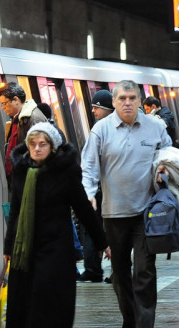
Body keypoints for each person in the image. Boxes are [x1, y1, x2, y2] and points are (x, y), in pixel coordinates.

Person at [82, 80, 172, 328]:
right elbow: (88, 166)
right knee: (120, 273)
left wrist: (165, 170)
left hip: (147, 212)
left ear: (140, 100)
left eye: (132, 98)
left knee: (144, 271)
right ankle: (130, 319)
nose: (128, 102)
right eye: (122, 98)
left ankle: (144, 324)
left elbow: (168, 155)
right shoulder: (101, 130)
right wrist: (89, 193)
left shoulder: (155, 127)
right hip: (114, 213)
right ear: (114, 102)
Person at [4, 122, 110, 328]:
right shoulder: (22, 170)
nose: (36, 148)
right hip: (25, 250)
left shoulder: (65, 171)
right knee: (24, 305)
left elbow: (83, 208)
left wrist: (101, 242)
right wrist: (8, 247)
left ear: (52, 146)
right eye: (33, 144)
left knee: (51, 304)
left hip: (56, 249)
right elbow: (15, 210)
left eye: (42, 144)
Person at [77, 89, 114, 283]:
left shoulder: (100, 129)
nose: (93, 111)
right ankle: (115, 268)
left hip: (102, 190)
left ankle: (93, 268)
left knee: (94, 227)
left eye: (96, 107)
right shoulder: (102, 128)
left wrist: (89, 191)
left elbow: (89, 163)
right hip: (103, 189)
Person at [0, 82, 47, 183]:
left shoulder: (33, 118)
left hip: (31, 178)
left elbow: (39, 153)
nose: (3, 108)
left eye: (4, 103)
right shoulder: (19, 118)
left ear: (16, 99)